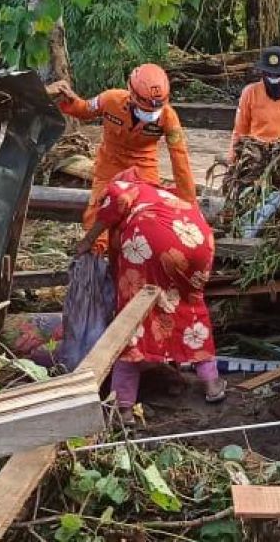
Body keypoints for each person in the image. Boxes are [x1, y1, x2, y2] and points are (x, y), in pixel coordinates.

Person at [75, 168, 226, 412]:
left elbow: (117, 198)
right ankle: (212, 384)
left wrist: (88, 240)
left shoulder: (127, 187)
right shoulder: (164, 196)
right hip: (199, 242)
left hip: (151, 238)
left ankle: (123, 405)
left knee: (132, 321)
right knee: (189, 307)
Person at [47, 64, 196, 253]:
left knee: (146, 223)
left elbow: (180, 159)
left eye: (153, 112)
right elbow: (84, 109)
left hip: (144, 172)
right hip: (109, 167)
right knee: (98, 217)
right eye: (145, 109)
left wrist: (189, 204)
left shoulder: (168, 118)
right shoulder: (110, 100)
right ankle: (96, 262)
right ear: (131, 93)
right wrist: (67, 99)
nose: (148, 115)